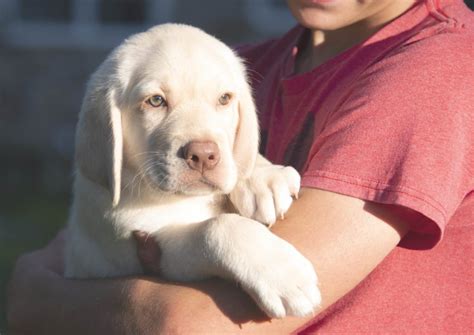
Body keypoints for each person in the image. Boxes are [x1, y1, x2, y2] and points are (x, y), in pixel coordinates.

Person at [7, 0, 473, 333]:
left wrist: (40, 298)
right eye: (156, 101)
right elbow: (98, 232)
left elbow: (190, 326)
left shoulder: (437, 69)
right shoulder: (235, 67)